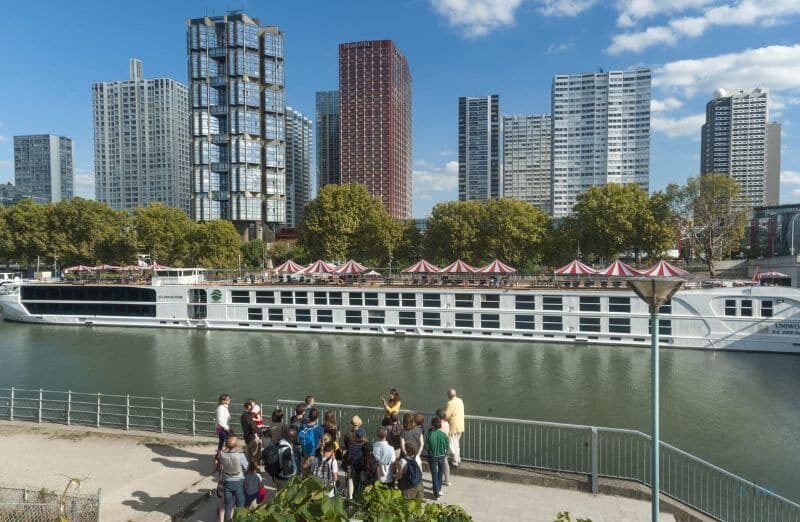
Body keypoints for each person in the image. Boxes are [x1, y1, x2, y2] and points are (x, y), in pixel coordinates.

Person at [219, 434, 248, 520]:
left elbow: (221, 462)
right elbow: (246, 467)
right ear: (236, 445)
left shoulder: (222, 455)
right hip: (238, 481)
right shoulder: (240, 455)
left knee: (228, 506)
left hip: (227, 481)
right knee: (240, 505)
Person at [343, 416, 367, 499]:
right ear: (359, 424)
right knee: (358, 475)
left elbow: (346, 446)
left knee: (350, 477)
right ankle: (357, 491)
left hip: (350, 458)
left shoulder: (347, 435)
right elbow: (365, 444)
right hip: (359, 458)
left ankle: (350, 495)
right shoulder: (363, 432)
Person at [426, 417, 449, 501]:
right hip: (442, 456)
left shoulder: (430, 435)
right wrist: (445, 453)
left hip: (432, 456)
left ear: (432, 424)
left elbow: (427, 447)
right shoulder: (443, 434)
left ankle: (436, 494)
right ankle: (439, 490)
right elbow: (447, 445)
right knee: (440, 473)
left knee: (434, 474)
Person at [444, 388, 465, 468]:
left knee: (452, 444)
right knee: (456, 443)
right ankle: (457, 459)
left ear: (449, 395)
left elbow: (447, 415)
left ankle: (455, 461)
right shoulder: (460, 400)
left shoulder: (450, 403)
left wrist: (442, 415)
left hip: (453, 426)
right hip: (460, 425)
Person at [240, 399, 261, 468]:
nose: (254, 407)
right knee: (254, 454)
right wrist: (261, 432)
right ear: (249, 406)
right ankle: (254, 469)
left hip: (246, 437)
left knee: (249, 454)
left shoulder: (243, 415)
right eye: (253, 405)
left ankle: (250, 468)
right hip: (252, 437)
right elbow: (253, 427)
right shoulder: (248, 416)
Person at [436, 409, 451, 487]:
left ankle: (437, 481)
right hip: (445, 446)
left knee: (438, 464)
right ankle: (447, 480)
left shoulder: (438, 426)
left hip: (438, 447)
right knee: (445, 462)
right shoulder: (447, 424)